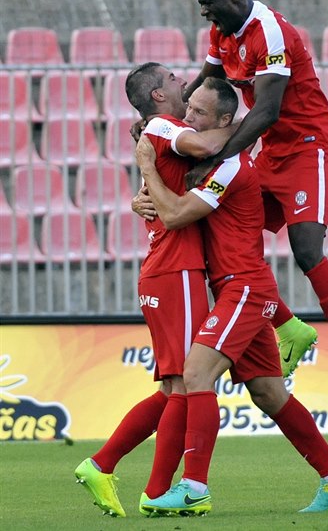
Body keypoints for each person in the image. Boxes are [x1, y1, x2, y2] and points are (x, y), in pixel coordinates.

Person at [136, 76, 328, 517]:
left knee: (195, 375)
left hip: (242, 287)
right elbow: (171, 196)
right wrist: (140, 197)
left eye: (199, 113)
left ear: (225, 120)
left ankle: (194, 486)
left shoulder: (229, 164)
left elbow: (178, 215)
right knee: (269, 394)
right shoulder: (218, 157)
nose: (189, 118)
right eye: (189, 110)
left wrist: (146, 165)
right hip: (239, 288)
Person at [181, 0, 328, 408]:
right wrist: (168, 123)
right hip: (271, 151)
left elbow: (266, 110)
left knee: (306, 250)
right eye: (201, 6)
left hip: (311, 148)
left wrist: (216, 156)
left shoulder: (268, 32)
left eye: (209, 5)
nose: (205, 14)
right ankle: (289, 327)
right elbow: (206, 85)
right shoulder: (223, 33)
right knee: (225, 234)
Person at [74, 62, 237, 517]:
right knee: (187, 385)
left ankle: (102, 465)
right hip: (177, 270)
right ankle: (154, 489)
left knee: (173, 390)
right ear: (158, 96)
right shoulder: (166, 126)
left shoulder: (158, 129)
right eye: (171, 79)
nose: (182, 81)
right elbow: (207, 142)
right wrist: (258, 118)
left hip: (164, 272)